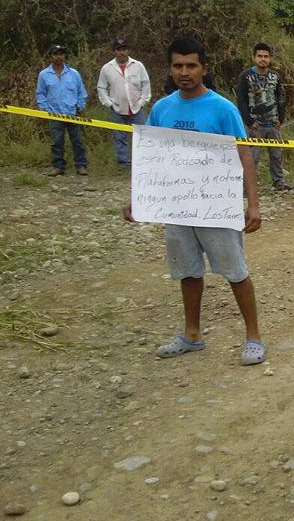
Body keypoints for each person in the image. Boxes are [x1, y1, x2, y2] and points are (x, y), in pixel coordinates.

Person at [123, 35, 266, 366]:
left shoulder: (223, 109)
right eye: (177, 65)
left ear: (204, 68)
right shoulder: (161, 109)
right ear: (170, 68)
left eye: (191, 65)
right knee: (188, 271)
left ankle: (254, 337)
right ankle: (192, 335)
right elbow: (151, 158)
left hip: (216, 206)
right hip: (178, 207)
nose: (184, 72)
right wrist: (137, 198)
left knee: (235, 271)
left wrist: (254, 204)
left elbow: (245, 156)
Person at [236, 43, 293, 191]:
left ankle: (279, 182)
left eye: (266, 56)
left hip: (273, 123)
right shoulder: (246, 76)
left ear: (270, 58)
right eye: (260, 56)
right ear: (254, 57)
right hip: (255, 125)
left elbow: (281, 97)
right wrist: (249, 121)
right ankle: (247, 187)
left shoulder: (275, 76)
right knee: (252, 158)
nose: (263, 59)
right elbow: (241, 100)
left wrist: (281, 118)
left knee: (276, 154)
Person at [96, 38, 152, 168]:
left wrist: (143, 100)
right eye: (119, 50)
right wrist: (108, 103)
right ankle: (123, 163)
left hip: (136, 107)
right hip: (117, 108)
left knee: (141, 136)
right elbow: (101, 87)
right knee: (119, 137)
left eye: (124, 49)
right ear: (115, 51)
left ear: (128, 50)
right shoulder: (107, 68)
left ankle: (142, 161)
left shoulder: (138, 65)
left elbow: (146, 83)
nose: (122, 52)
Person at [35, 44, 89, 176]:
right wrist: (47, 110)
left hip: (73, 113)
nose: (59, 57)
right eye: (55, 54)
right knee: (57, 142)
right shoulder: (44, 75)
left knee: (77, 141)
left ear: (64, 56)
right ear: (50, 56)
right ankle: (58, 167)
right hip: (54, 114)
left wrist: (79, 107)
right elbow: (40, 94)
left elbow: (81, 92)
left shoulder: (74, 73)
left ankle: (81, 166)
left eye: (61, 54)